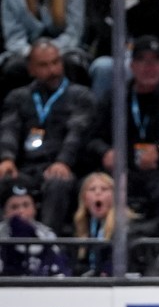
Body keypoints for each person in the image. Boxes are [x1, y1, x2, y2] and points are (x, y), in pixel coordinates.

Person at [88, 34, 159, 220]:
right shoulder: (115, 98)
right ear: (132, 66)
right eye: (142, 61)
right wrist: (105, 152)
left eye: (155, 61)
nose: (150, 67)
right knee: (99, 190)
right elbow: (91, 137)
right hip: (123, 170)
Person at [0, 38, 96, 234]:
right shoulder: (18, 97)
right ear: (31, 69)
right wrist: (6, 158)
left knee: (57, 182)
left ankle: (49, 247)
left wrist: (63, 161)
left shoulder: (81, 96)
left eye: (56, 62)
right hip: (27, 167)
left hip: (62, 166)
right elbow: (9, 128)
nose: (52, 70)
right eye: (44, 65)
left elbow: (76, 132)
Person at [0, 0, 91, 96]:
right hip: (24, 52)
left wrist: (49, 52)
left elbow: (74, 33)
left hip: (64, 49)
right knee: (14, 68)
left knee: (71, 64)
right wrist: (34, 54)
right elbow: (14, 37)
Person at [86, 0, 159, 101]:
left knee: (132, 67)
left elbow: (148, 30)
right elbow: (102, 31)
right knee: (102, 66)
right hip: (110, 55)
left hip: (140, 55)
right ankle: (100, 113)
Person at [70, 171, 144, 276]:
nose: (98, 193)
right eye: (92, 189)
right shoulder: (82, 227)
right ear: (84, 199)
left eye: (104, 189)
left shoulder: (127, 228)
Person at [0, 180, 69, 276]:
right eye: (14, 207)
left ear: (34, 209)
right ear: (5, 213)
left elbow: (60, 270)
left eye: (26, 205)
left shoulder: (47, 235)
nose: (21, 211)